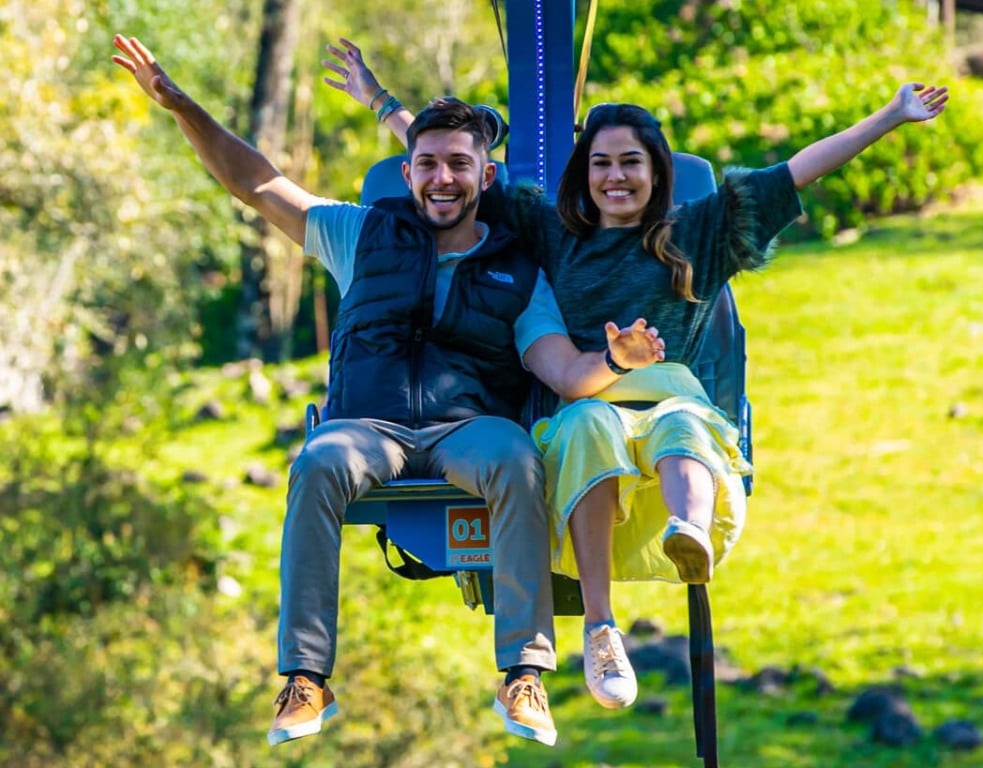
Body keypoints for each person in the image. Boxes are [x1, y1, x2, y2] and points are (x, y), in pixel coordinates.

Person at [325, 38, 949, 711]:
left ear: (655, 171)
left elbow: (792, 173)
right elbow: (453, 168)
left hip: (667, 401)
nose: (614, 177)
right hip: (589, 399)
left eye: (629, 163)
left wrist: (889, 116)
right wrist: (382, 102)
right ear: (582, 175)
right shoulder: (551, 231)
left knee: (680, 422)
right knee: (591, 423)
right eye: (600, 164)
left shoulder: (699, 234)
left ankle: (689, 530)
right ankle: (601, 627)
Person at [111, 35, 669, 748]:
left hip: (467, 427)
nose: (442, 178)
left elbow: (562, 372)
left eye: (458, 165)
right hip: (367, 424)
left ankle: (523, 674)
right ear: (407, 173)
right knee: (315, 462)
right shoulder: (358, 234)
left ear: (485, 175)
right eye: (428, 164)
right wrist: (182, 106)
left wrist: (613, 362)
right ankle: (306, 677)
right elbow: (255, 182)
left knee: (515, 458)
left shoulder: (515, 271)